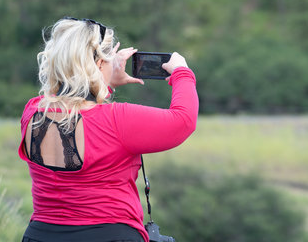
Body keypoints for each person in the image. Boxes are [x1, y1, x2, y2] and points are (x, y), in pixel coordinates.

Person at [17, 17, 199, 242]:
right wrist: (182, 73)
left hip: (40, 235)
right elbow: (183, 121)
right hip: (109, 235)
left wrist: (105, 83)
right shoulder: (117, 120)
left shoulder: (32, 112)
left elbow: (77, 114)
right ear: (98, 63)